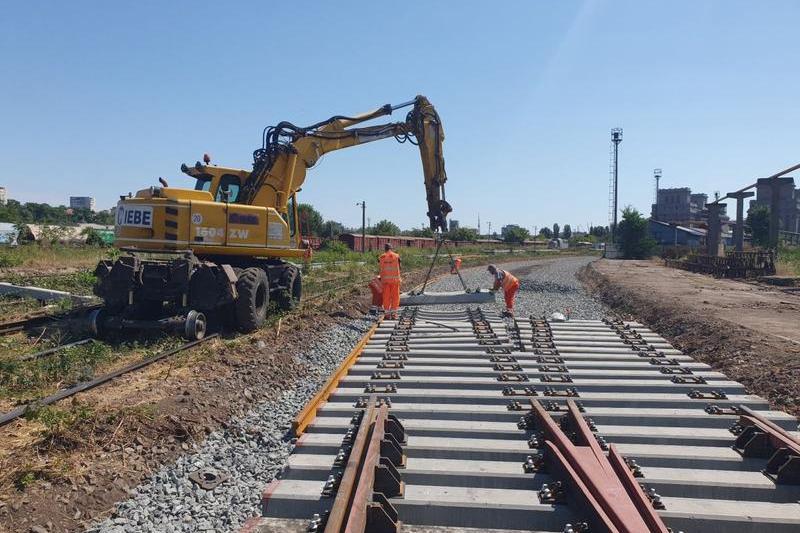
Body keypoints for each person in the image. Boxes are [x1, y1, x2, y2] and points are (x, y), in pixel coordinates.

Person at [378, 243, 401, 319]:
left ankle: (387, 315)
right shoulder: (396, 256)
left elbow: (381, 268)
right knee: (395, 297)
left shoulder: (381, 257)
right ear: (391, 248)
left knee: (386, 298)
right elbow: (399, 267)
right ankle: (394, 314)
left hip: (385, 281)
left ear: (385, 249)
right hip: (395, 281)